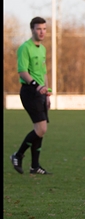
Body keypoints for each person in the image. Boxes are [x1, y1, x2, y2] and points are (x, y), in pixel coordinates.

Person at [10, 17, 52, 175]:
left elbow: (44, 72)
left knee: (40, 129)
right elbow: (22, 71)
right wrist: (36, 86)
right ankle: (17, 155)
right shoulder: (24, 48)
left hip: (41, 93)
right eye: (39, 29)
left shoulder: (42, 49)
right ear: (32, 30)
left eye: (44, 29)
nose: (42, 32)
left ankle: (35, 166)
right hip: (30, 91)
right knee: (41, 128)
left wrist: (47, 92)